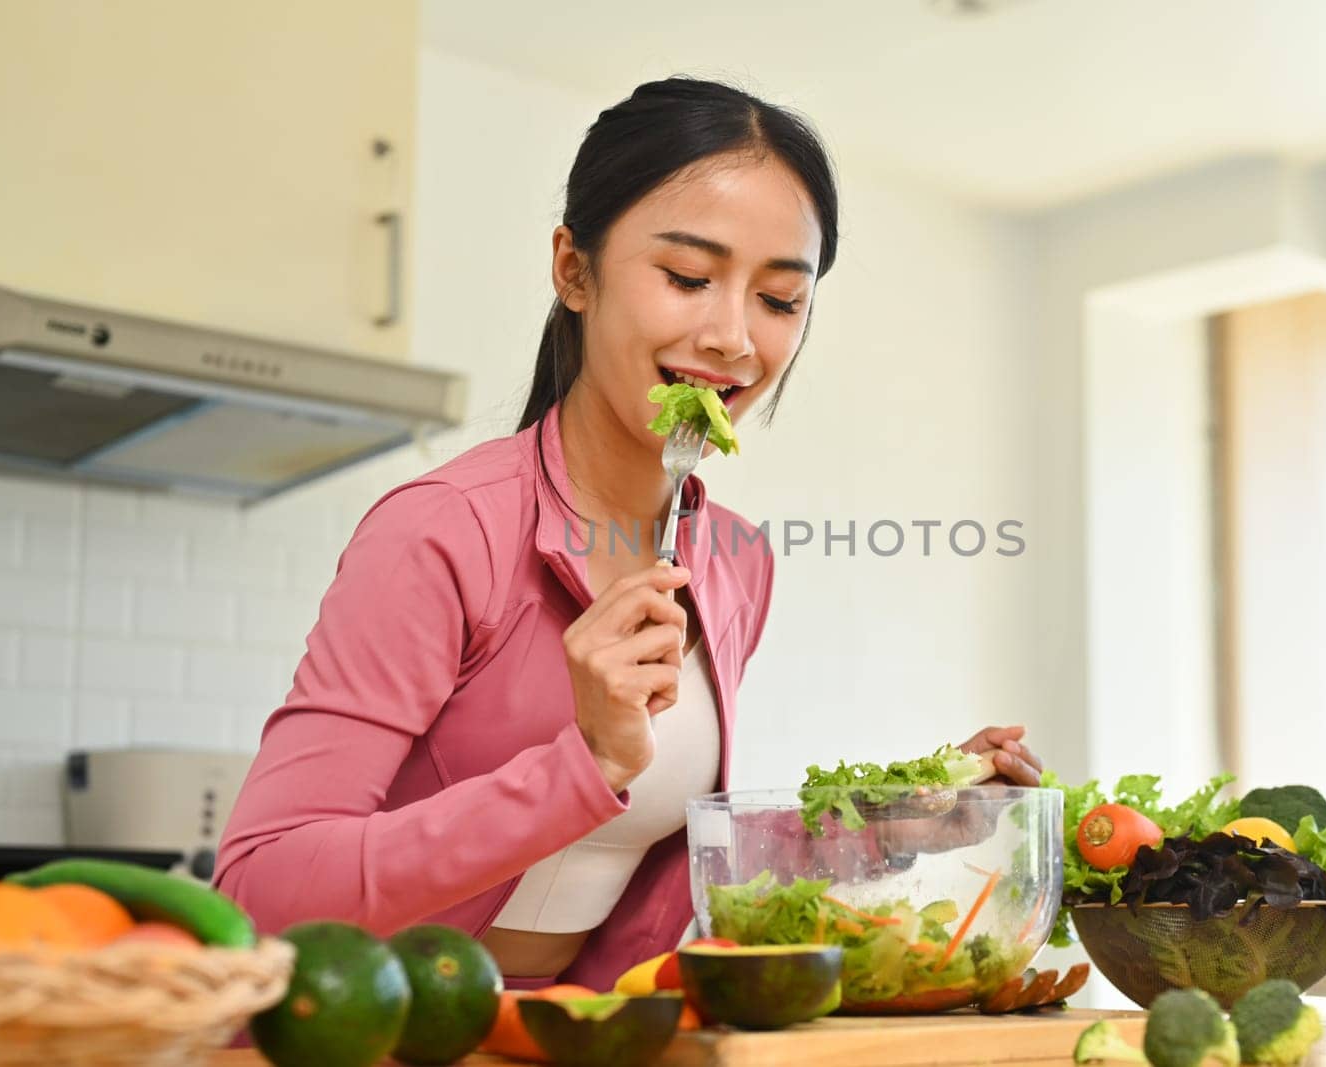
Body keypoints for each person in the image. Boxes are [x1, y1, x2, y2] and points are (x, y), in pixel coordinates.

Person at [214, 76, 1045, 992]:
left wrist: (894, 818)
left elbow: (687, 847)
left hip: (596, 1032)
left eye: (778, 299)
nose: (733, 336)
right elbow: (260, 889)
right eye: (688, 278)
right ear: (575, 269)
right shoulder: (445, 532)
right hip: (394, 1032)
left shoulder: (733, 560)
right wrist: (585, 761)